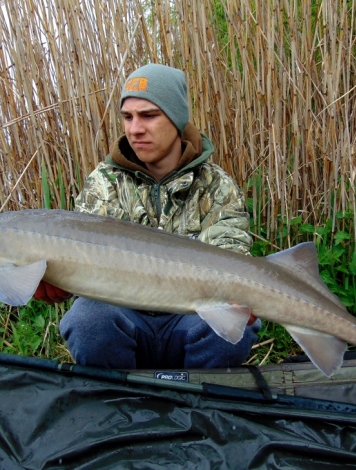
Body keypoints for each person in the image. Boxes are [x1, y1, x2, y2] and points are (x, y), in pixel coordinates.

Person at [36, 63, 261, 369]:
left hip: (191, 320)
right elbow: (79, 263)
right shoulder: (105, 183)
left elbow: (230, 255)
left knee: (232, 327)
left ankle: (199, 406)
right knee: (88, 320)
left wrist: (238, 297)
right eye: (127, 117)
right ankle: (123, 405)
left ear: (177, 119)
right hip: (126, 319)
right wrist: (54, 282)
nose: (134, 129)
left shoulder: (215, 185)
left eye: (149, 115)